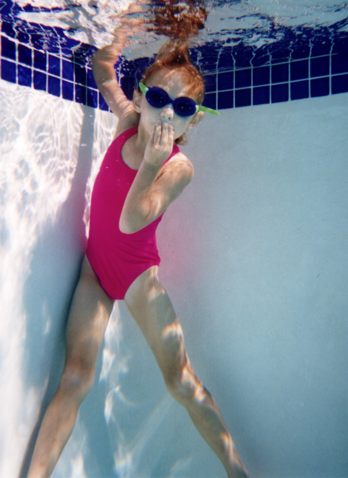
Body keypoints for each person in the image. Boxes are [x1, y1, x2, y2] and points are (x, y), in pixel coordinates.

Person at [26, 31, 250, 478]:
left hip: (137, 278)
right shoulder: (128, 121)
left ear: (194, 121)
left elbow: (133, 221)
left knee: (179, 380)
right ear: (141, 95)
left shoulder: (178, 168)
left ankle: (236, 470)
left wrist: (151, 163)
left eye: (182, 108)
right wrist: (114, 41)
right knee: (75, 377)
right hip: (94, 270)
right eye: (159, 97)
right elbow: (103, 73)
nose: (167, 112)